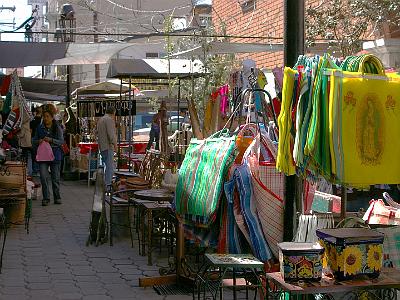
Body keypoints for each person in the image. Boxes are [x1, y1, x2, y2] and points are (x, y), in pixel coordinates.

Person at [33, 106, 64, 206]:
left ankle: (57, 197)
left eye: (47, 116)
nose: (45, 118)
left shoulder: (57, 127)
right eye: (44, 116)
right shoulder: (39, 128)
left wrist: (51, 140)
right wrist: (39, 141)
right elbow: (33, 141)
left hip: (55, 155)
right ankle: (46, 198)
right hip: (43, 156)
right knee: (43, 177)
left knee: (55, 178)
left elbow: (61, 141)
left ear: (52, 117)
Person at [97, 106, 117, 189]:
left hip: (102, 146)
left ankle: (106, 184)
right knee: (110, 168)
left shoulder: (101, 119)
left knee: (107, 166)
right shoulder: (109, 120)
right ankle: (108, 186)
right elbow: (111, 135)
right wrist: (115, 145)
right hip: (108, 146)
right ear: (113, 112)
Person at [30, 106, 42, 176]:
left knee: (34, 155)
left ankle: (35, 170)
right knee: (40, 154)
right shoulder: (43, 121)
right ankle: (39, 170)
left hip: (33, 139)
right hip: (41, 139)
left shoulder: (33, 120)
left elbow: (30, 131)